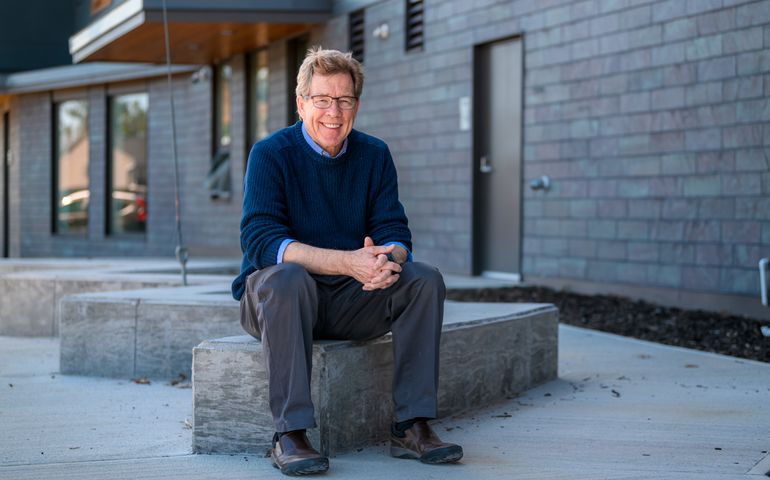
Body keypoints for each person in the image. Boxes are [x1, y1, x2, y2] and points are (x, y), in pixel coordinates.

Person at [231, 47, 462, 476]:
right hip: (277, 300)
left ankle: (411, 425)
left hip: (352, 298)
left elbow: (396, 232)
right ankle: (290, 434)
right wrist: (347, 262)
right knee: (287, 278)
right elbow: (262, 240)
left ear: (357, 104)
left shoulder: (374, 155)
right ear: (301, 104)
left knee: (423, 279)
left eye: (344, 100)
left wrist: (386, 261)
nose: (333, 112)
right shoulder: (270, 154)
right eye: (322, 100)